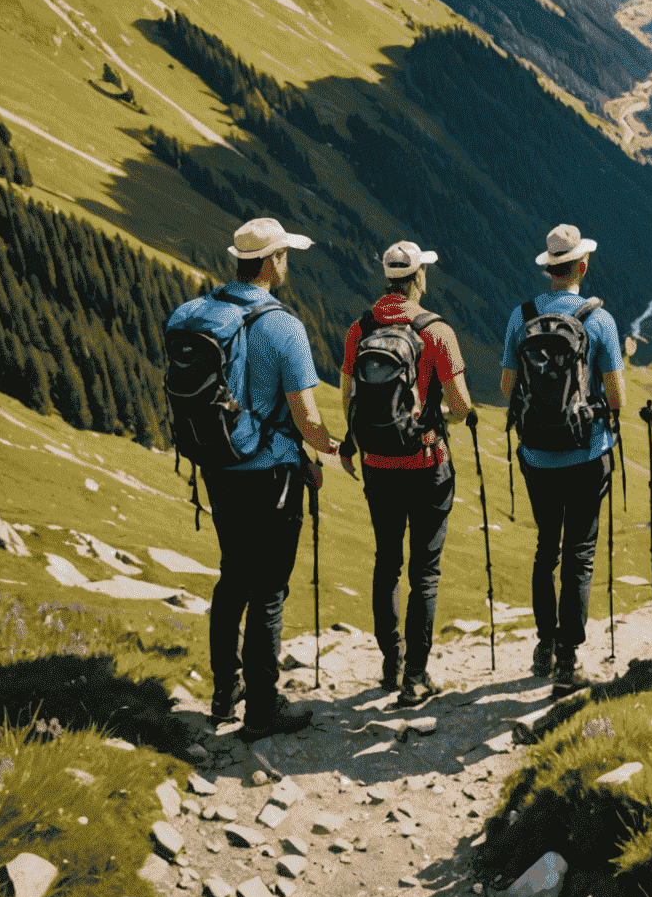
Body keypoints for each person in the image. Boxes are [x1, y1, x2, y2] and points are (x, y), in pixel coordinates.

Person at [195, 218, 340, 742]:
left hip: (218, 465)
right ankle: (262, 708)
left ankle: (222, 691)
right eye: (286, 256)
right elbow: (305, 417)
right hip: (271, 473)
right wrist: (332, 448)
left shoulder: (206, 312)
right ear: (274, 261)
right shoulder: (283, 325)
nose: (288, 264)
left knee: (233, 574)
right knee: (270, 588)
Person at [339, 240, 472, 706]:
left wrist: (357, 443)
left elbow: (349, 395)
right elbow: (460, 406)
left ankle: (390, 664)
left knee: (386, 563)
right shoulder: (436, 331)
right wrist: (438, 419)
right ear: (419, 278)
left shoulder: (361, 329)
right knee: (425, 570)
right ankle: (416, 676)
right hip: (426, 462)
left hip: (378, 465)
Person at [501, 224, 626, 696]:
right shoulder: (600, 320)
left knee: (545, 549)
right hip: (587, 451)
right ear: (583, 266)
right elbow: (615, 398)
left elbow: (507, 389)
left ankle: (543, 645)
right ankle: (568, 659)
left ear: (550, 268)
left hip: (536, 452)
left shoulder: (522, 315)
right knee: (580, 553)